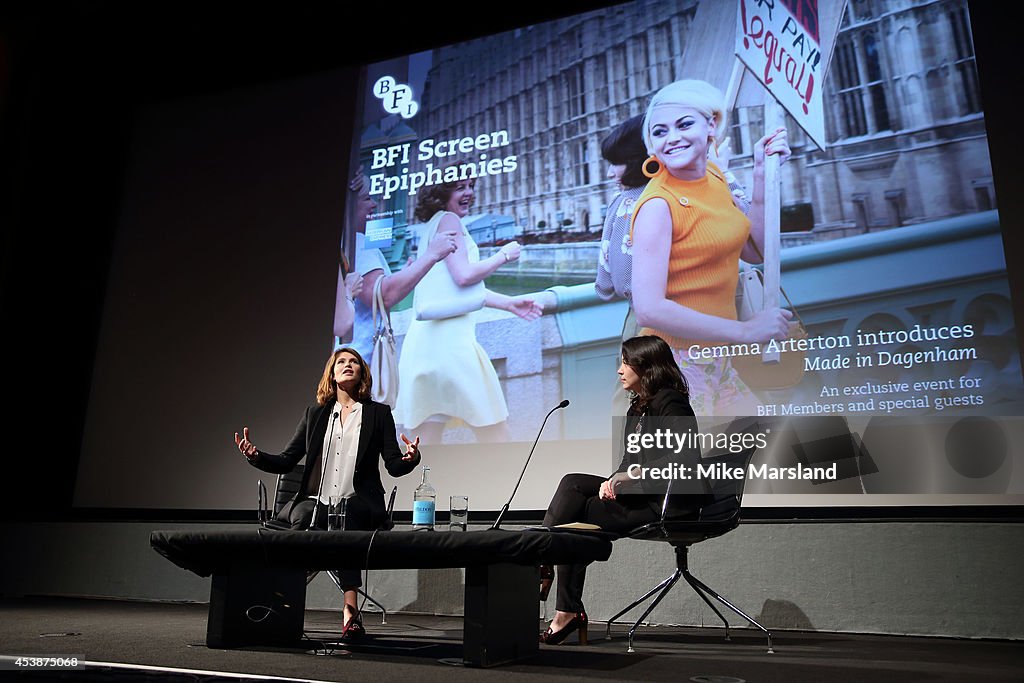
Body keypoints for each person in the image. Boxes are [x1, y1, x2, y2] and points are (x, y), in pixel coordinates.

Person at [233, 347, 422, 640]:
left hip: (358, 502)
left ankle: (350, 612)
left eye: (354, 362)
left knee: (347, 519)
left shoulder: (378, 413)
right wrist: (255, 456)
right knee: (306, 517)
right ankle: (283, 602)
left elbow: (394, 465)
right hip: (314, 501)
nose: (348, 365)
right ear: (331, 374)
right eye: (341, 362)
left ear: (362, 373)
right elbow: (286, 459)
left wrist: (411, 459)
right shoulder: (317, 414)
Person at [629, 79, 792, 415]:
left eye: (684, 124)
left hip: (716, 358)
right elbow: (648, 309)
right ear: (651, 147)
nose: (672, 138)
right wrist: (746, 331)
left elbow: (754, 251)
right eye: (659, 132)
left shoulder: (715, 178)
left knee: (760, 451)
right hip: (673, 364)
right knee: (697, 464)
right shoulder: (658, 205)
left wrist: (762, 172)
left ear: (711, 125)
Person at [539, 335, 704, 645]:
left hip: (670, 501)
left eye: (626, 362)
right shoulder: (637, 410)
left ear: (647, 367)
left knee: (576, 516)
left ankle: (555, 587)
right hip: (644, 493)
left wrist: (631, 476)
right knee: (572, 483)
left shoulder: (671, 401)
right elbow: (628, 462)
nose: (620, 369)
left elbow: (686, 457)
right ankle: (551, 577)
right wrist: (612, 481)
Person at [394, 172, 542, 444]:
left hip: (425, 345)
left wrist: (508, 303)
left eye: (471, 186)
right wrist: (503, 256)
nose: (469, 192)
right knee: (495, 433)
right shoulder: (449, 220)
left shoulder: (434, 224)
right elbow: (464, 276)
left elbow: (455, 290)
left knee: (426, 441)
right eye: (459, 187)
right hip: (452, 348)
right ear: (442, 193)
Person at [346, 170, 459, 363]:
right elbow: (383, 295)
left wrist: (407, 272)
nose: (374, 204)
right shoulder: (357, 243)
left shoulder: (348, 243)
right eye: (366, 199)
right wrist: (431, 255)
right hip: (359, 361)